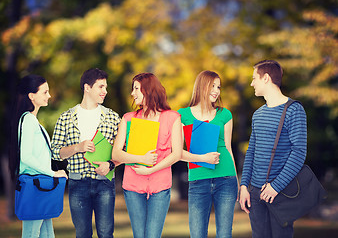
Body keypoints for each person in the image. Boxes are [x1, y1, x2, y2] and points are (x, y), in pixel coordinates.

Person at [239, 60, 307, 238]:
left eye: (255, 78)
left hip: (281, 193)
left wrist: (275, 187)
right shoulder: (258, 114)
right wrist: (244, 185)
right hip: (255, 192)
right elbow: (251, 152)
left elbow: (299, 152)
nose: (252, 83)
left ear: (266, 78)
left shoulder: (294, 110)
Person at [51, 68, 120, 238]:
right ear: (87, 87)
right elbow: (55, 153)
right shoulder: (66, 117)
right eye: (101, 87)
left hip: (104, 183)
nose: (105, 91)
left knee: (106, 234)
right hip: (77, 184)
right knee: (82, 234)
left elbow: (124, 151)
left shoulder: (112, 117)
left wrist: (110, 164)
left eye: (106, 87)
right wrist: (77, 147)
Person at [112, 73, 182, 238]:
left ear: (148, 90)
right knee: (139, 235)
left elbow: (177, 154)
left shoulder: (173, 118)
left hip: (160, 185)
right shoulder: (128, 119)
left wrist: (151, 169)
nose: (132, 93)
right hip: (133, 185)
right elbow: (116, 153)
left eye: (136, 89)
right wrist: (141, 159)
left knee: (152, 235)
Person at [178, 70, 239, 238]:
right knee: (197, 234)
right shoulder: (182, 115)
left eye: (218, 87)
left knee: (225, 234)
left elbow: (228, 147)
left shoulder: (225, 114)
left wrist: (237, 182)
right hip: (198, 180)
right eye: (212, 86)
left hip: (226, 178)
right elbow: (177, 153)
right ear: (201, 86)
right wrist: (202, 158)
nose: (216, 90)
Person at [9, 74, 68, 238]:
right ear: (32, 96)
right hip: (35, 186)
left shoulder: (32, 121)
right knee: (31, 234)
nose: (49, 95)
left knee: (47, 234)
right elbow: (26, 157)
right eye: (45, 92)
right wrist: (53, 173)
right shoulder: (28, 121)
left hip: (40, 187)